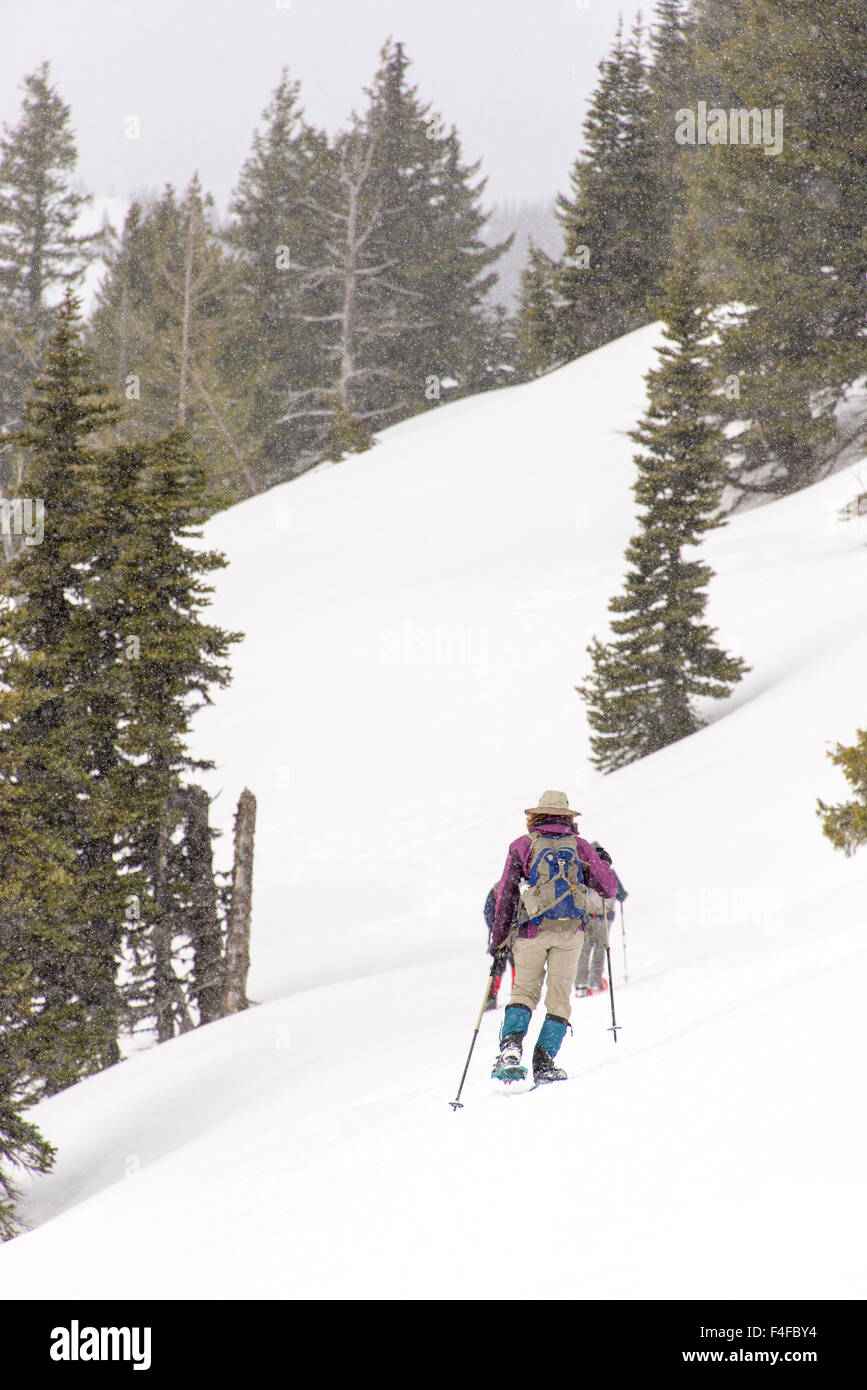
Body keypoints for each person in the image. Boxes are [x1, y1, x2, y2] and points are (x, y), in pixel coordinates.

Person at [490, 790, 619, 1084]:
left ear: (536, 816)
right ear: (568, 818)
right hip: (570, 933)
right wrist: (602, 862)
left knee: (524, 993)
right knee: (559, 1000)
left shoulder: (522, 845)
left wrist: (498, 941)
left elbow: (507, 895)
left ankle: (511, 1049)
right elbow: (608, 889)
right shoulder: (581, 847)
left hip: (531, 932)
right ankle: (545, 1061)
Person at [574, 843, 628, 998]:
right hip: (604, 916)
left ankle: (580, 985)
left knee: (584, 950)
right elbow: (621, 895)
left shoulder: (583, 871)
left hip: (586, 916)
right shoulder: (609, 872)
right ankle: (596, 982)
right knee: (600, 948)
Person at [482, 881, 518, 1011]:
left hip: (500, 937)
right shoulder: (515, 888)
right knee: (516, 965)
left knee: (498, 967)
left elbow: (488, 912)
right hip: (514, 935)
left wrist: (495, 929)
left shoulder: (495, 890)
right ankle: (516, 995)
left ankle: (492, 997)